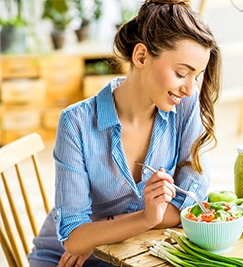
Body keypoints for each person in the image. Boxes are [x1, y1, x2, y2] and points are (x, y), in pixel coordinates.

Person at [28, 0, 221, 266]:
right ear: (141, 56)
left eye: (196, 77)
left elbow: (190, 205)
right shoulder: (76, 123)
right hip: (66, 261)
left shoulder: (187, 106)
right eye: (181, 73)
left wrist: (97, 234)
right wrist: (146, 218)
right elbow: (73, 238)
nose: (189, 88)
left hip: (133, 254)